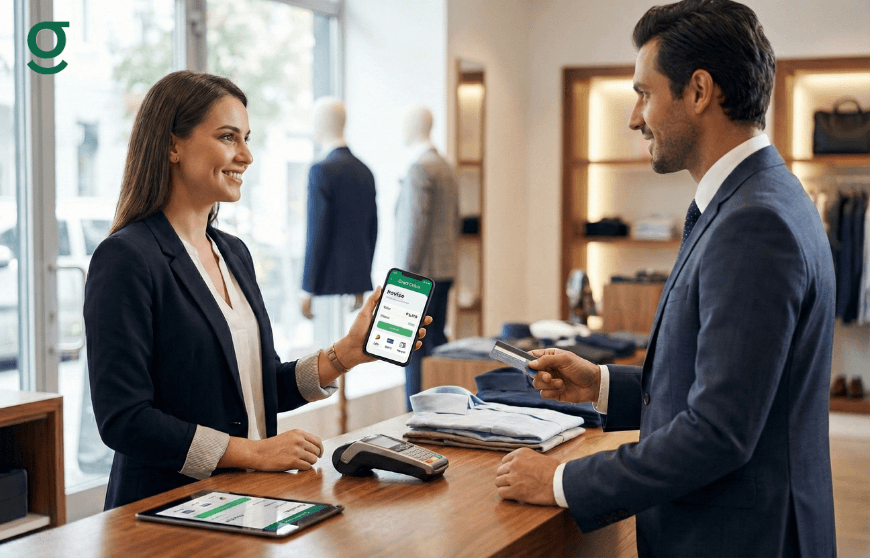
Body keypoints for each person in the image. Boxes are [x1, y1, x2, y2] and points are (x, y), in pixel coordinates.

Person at [494, 1, 837, 556]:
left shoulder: (753, 221)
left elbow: (718, 432)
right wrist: (601, 384)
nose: (634, 118)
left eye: (644, 93)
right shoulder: (766, 195)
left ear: (699, 91)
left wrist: (558, 482)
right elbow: (732, 385)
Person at [83, 71, 430, 510]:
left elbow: (260, 385)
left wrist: (345, 354)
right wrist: (253, 452)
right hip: (166, 511)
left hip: (248, 500)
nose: (246, 156)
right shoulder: (127, 257)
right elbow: (124, 420)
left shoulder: (233, 253)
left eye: (247, 138)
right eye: (229, 137)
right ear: (173, 145)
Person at [394, 105, 459, 410]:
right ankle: (440, 409)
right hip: (444, 270)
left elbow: (415, 227)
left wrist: (402, 277)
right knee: (434, 344)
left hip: (421, 273)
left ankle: (413, 413)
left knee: (414, 347)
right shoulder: (445, 165)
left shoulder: (421, 168)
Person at [300, 97, 377, 326]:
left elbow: (316, 233)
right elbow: (371, 230)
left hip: (326, 281)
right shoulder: (365, 171)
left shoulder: (320, 170)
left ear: (321, 124)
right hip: (354, 282)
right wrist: (362, 281)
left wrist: (307, 288)